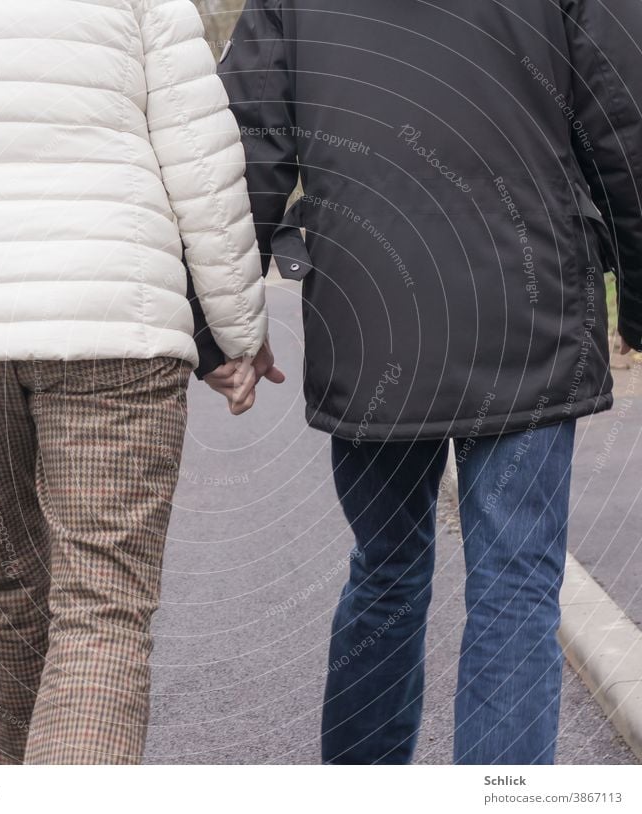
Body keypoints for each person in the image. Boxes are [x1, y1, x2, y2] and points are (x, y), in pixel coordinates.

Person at [198, 0, 642, 763]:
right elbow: (626, 126)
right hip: (525, 308)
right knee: (515, 588)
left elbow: (242, 152)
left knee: (388, 570)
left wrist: (223, 333)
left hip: (371, 315)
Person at [0, 0, 282, 764]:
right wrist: (237, 330)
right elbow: (201, 164)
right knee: (101, 611)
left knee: (7, 590)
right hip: (111, 312)